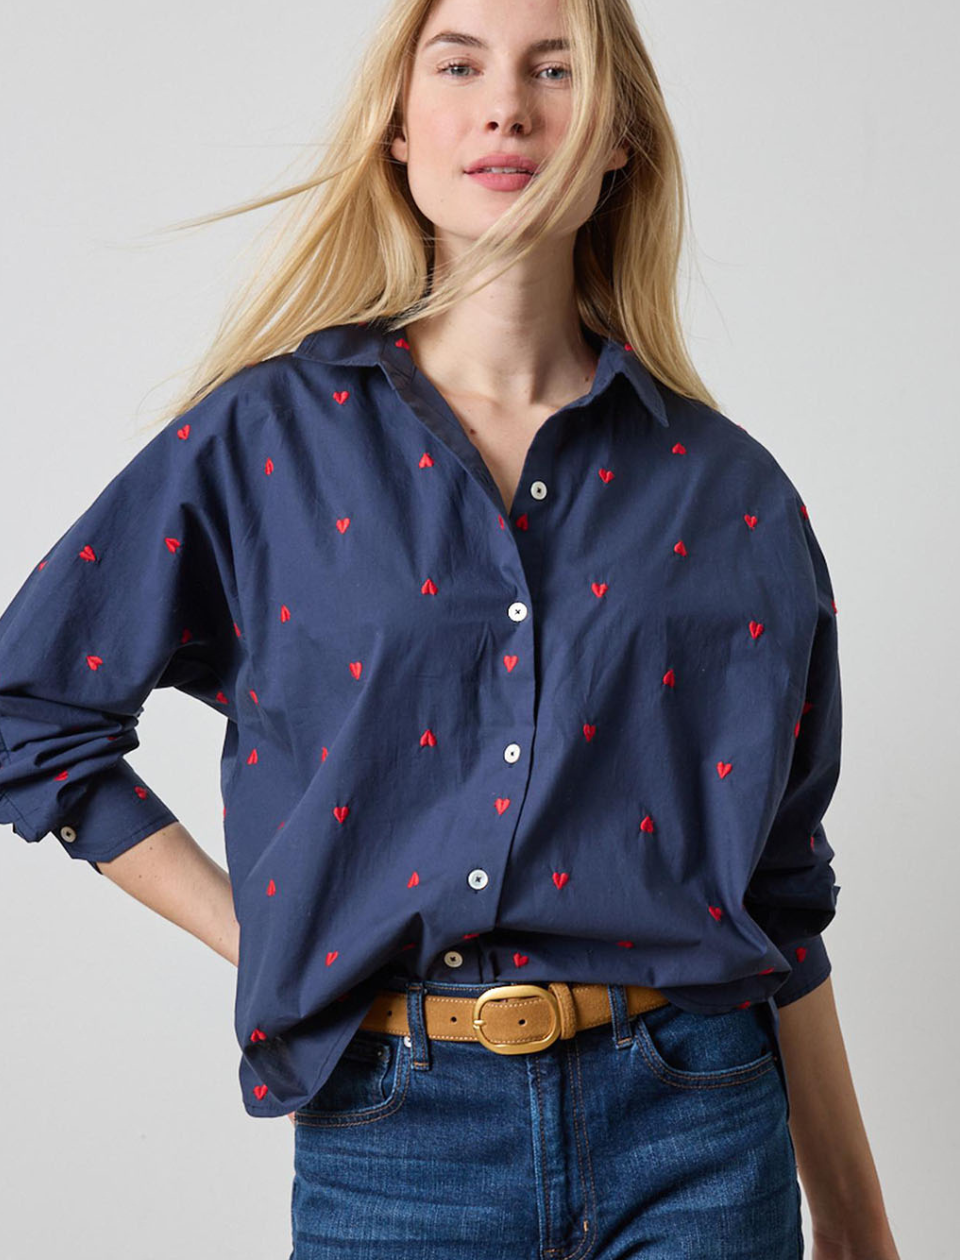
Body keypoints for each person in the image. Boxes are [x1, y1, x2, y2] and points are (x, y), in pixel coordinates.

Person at [0, 0, 900, 1256]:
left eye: (556, 68)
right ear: (399, 131)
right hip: (397, 1143)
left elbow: (783, 891)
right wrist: (268, 936)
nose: (506, 106)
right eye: (461, 64)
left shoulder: (732, 492)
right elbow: (30, 713)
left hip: (700, 1129)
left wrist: (856, 1221)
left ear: (618, 137)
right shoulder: (263, 442)